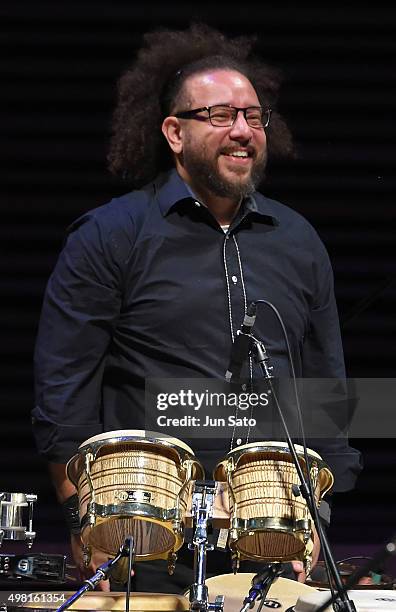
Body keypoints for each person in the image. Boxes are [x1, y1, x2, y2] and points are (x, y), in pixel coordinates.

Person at [32, 23, 362, 593]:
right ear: (174, 132)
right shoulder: (111, 234)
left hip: (272, 541)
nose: (243, 131)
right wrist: (82, 522)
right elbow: (64, 392)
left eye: (254, 117)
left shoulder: (300, 240)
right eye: (220, 116)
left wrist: (315, 524)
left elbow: (324, 391)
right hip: (143, 540)